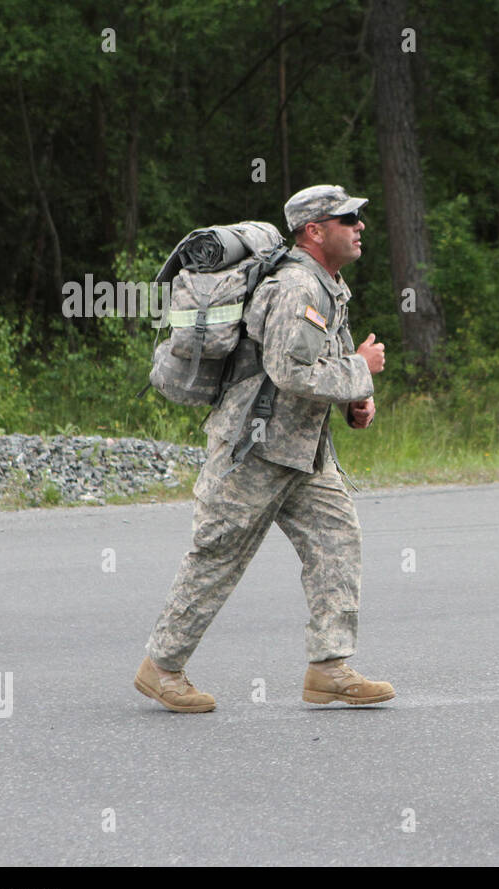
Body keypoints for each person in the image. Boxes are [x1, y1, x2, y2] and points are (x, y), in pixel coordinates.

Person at [134, 184, 393, 713]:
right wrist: (360, 371)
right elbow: (290, 369)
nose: (359, 225)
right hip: (253, 447)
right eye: (347, 219)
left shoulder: (329, 285)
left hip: (303, 450)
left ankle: (329, 668)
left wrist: (355, 400)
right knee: (218, 555)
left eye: (358, 217)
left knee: (336, 544)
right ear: (314, 231)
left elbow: (326, 360)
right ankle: (161, 667)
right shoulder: (297, 285)